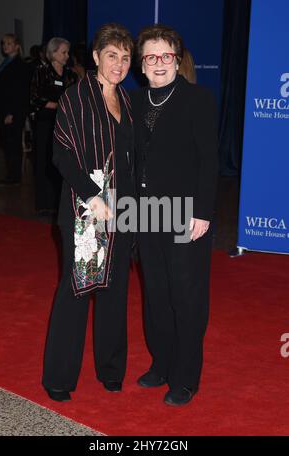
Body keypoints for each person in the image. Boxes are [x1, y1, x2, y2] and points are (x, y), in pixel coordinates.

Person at [42, 23, 135, 401]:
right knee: (77, 291)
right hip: (87, 212)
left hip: (124, 212)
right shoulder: (76, 97)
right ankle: (59, 378)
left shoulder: (128, 100)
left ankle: (111, 369)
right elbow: (61, 154)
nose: (119, 64)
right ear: (96, 57)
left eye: (126, 57)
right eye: (111, 55)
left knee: (116, 290)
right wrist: (93, 196)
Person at [131, 24, 218, 406]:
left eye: (167, 55)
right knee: (156, 292)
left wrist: (202, 212)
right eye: (151, 56)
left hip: (185, 213)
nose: (160, 63)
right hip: (144, 212)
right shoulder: (133, 102)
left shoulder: (197, 99)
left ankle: (186, 376)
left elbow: (208, 161)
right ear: (142, 64)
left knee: (187, 295)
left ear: (177, 60)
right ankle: (162, 364)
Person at [30, 37, 77, 214]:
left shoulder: (70, 75)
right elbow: (35, 99)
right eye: (63, 52)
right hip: (46, 123)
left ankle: (61, 203)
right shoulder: (41, 72)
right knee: (44, 159)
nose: (67, 56)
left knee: (61, 163)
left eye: (67, 52)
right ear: (53, 52)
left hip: (65, 125)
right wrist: (58, 105)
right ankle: (44, 203)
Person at [0, 34, 30, 185]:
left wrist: (11, 113)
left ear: (16, 46)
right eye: (3, 43)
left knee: (13, 144)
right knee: (8, 144)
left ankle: (14, 177)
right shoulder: (6, 63)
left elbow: (19, 92)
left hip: (13, 112)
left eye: (9, 43)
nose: (5, 46)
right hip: (5, 110)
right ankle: (11, 175)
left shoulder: (19, 65)